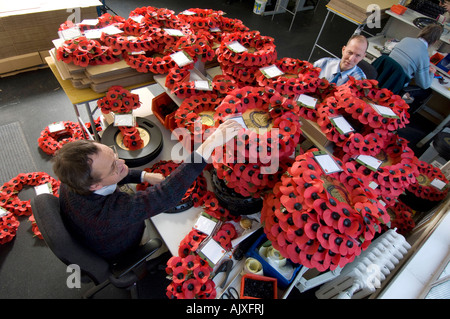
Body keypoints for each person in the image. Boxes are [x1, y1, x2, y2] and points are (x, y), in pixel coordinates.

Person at [52, 119, 242, 261]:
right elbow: (165, 195)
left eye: (114, 155)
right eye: (113, 166)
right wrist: (209, 145)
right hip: (120, 247)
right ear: (95, 186)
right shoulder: (108, 214)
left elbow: (112, 174)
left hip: (92, 232)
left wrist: (143, 176)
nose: (123, 162)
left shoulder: (73, 177)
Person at [388, 23, 443, 111]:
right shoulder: (424, 55)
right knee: (427, 92)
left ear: (422, 32)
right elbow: (424, 84)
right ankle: (405, 114)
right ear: (435, 41)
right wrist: (431, 73)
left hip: (386, 77)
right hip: (397, 84)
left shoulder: (406, 40)